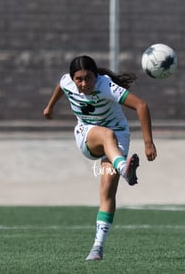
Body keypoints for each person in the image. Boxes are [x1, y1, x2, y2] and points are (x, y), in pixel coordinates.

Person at [43, 55, 157, 260]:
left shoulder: (106, 86)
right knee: (106, 135)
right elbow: (60, 87)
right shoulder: (67, 81)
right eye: (79, 79)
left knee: (107, 192)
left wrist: (148, 142)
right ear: (72, 78)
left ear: (96, 76)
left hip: (119, 136)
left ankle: (97, 247)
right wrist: (49, 108)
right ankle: (124, 169)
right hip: (88, 136)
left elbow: (141, 105)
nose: (84, 84)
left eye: (88, 78)